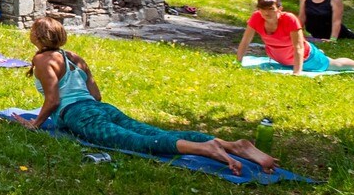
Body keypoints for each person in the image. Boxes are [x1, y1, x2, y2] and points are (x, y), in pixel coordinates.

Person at [15, 18, 275, 174]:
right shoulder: (74, 56)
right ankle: (232, 145)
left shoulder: (43, 60)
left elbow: (53, 100)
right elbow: (96, 93)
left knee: (138, 142)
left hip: (80, 114)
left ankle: (205, 148)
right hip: (102, 109)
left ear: (37, 36)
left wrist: (35, 124)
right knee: (154, 132)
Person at [237, 0, 354, 74]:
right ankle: (320, 52)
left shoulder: (289, 19)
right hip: (281, 58)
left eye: (271, 9)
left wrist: (297, 72)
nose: (266, 13)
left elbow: (299, 47)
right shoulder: (256, 17)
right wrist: (238, 62)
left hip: (306, 58)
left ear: (279, 8)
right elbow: (245, 41)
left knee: (336, 65)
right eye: (262, 9)